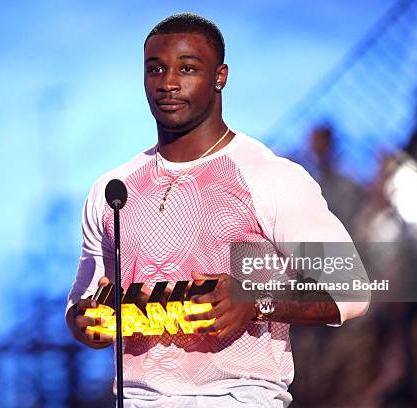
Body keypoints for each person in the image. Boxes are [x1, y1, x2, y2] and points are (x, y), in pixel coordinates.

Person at [65, 13, 368, 408]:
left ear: (220, 76)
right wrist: (86, 321)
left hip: (236, 397)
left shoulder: (268, 176)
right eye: (155, 69)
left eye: (187, 69)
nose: (168, 83)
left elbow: (353, 290)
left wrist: (255, 302)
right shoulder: (113, 188)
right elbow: (82, 300)